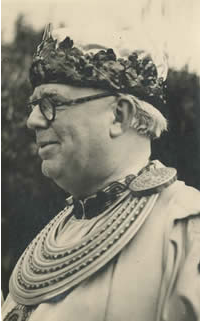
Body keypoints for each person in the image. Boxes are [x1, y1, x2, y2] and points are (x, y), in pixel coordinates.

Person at [2, 23, 200, 321]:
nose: (32, 120)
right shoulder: (56, 233)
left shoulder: (185, 233)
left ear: (119, 116)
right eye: (34, 105)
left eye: (50, 103)